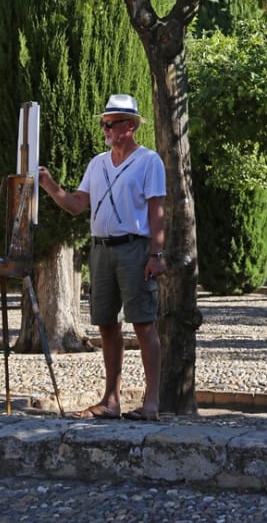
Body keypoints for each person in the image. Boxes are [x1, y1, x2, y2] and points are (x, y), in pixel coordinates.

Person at [38, 93, 166, 421]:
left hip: (135, 249)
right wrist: (50, 185)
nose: (105, 129)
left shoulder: (149, 161)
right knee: (107, 324)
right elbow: (78, 205)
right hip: (101, 250)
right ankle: (111, 400)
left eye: (110, 123)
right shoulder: (97, 163)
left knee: (143, 324)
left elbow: (157, 211)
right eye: (104, 123)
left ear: (130, 126)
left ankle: (151, 403)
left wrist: (157, 253)